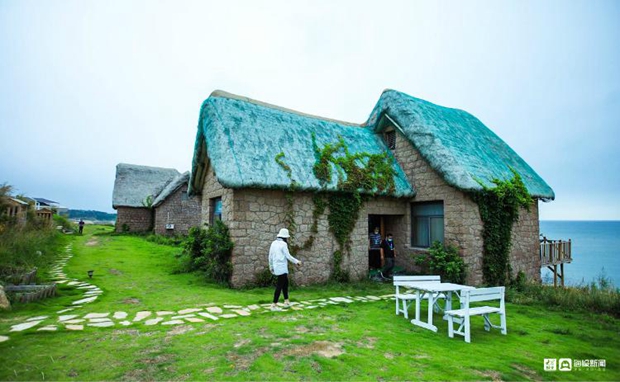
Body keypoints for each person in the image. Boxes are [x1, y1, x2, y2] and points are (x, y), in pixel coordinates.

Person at [269, 228, 301, 311]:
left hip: (276, 267)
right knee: (280, 285)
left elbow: (270, 256)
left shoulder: (273, 243)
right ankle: (274, 305)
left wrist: (271, 266)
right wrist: (297, 262)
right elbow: (288, 256)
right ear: (285, 237)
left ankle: (286, 301)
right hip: (282, 268)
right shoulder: (283, 244)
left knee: (285, 283)